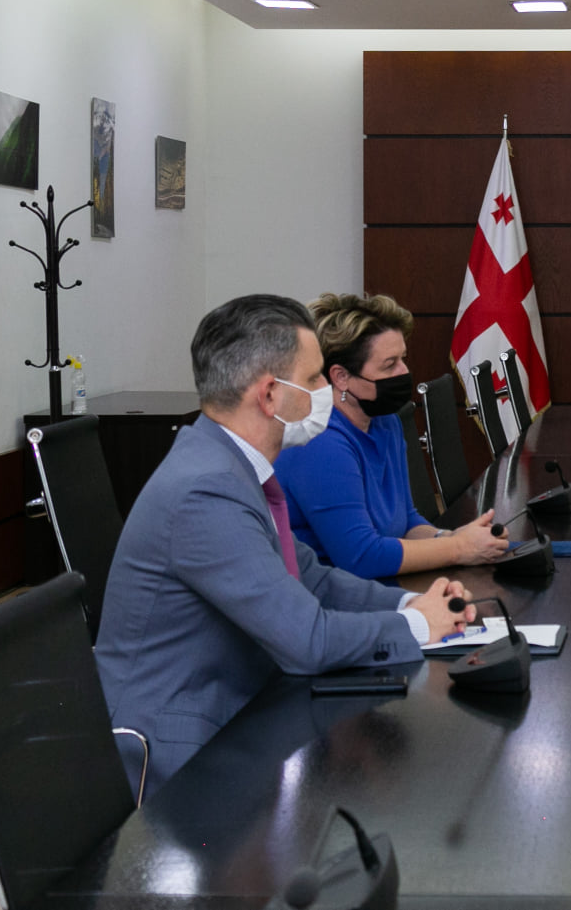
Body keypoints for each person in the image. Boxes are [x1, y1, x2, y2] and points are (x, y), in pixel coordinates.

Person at [96, 294, 476, 797]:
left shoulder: (227, 463)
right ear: (270, 395)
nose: (327, 391)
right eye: (316, 378)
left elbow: (310, 577)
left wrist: (411, 603)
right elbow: (307, 641)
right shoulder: (206, 491)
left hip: (243, 707)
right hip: (180, 751)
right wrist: (418, 625)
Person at [275, 293, 506, 579]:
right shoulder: (319, 442)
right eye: (389, 364)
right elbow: (361, 557)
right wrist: (458, 548)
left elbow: (406, 522)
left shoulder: (385, 421)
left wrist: (452, 537)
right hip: (326, 593)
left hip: (380, 584)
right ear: (341, 377)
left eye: (403, 359)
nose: (404, 371)